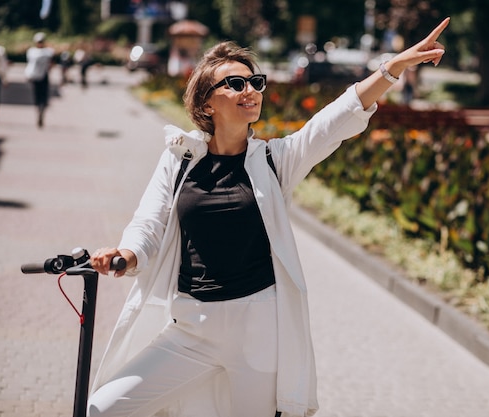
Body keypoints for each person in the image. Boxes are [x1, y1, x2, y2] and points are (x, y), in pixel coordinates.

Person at [88, 17, 449, 417]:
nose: (251, 90)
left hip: (257, 331)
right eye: (235, 83)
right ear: (206, 102)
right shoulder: (180, 161)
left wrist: (392, 68)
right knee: (105, 408)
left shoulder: (276, 160)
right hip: (192, 327)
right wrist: (127, 254)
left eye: (255, 82)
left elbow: (335, 120)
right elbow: (149, 223)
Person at [25, 32, 54, 128]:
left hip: (38, 76)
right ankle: (40, 111)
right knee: (40, 97)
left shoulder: (32, 52)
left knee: (40, 96)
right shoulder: (47, 52)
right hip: (40, 76)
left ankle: (40, 111)